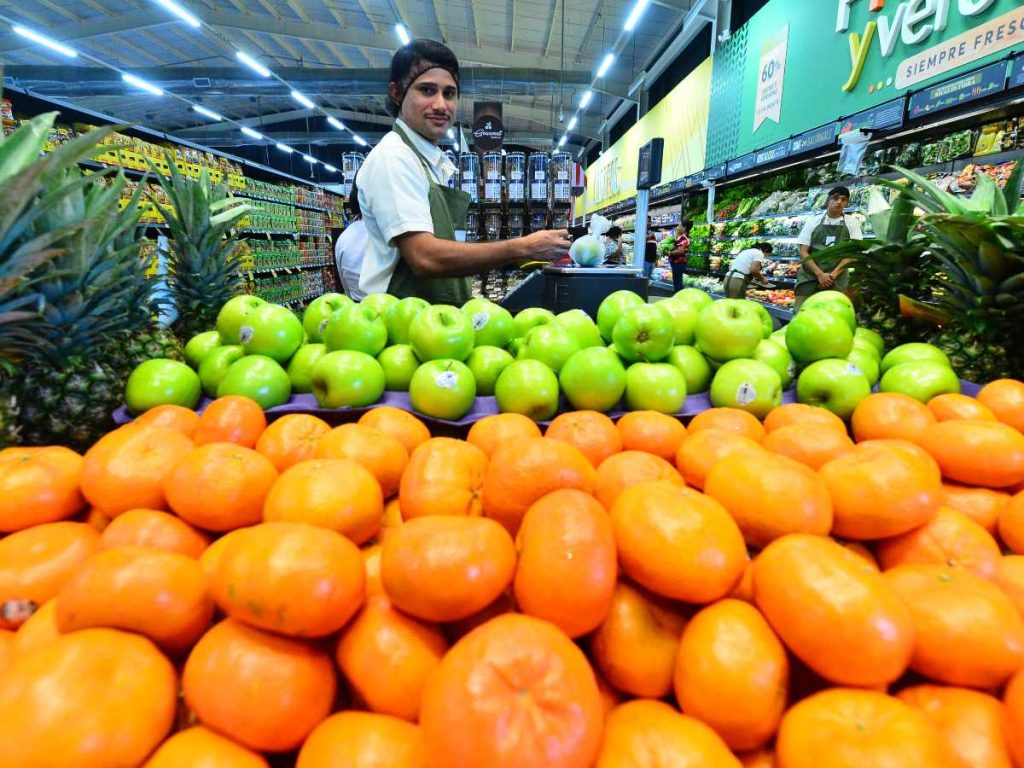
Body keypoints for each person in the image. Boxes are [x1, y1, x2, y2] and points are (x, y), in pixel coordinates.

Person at [356, 39, 571, 302]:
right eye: (427, 90)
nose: (440, 104)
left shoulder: (429, 163)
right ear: (397, 93)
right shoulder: (394, 157)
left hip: (432, 321)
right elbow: (425, 257)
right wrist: (522, 247)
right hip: (402, 326)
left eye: (449, 93)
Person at [794, 185, 862, 310]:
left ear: (846, 203)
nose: (839, 202)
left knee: (835, 314)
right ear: (828, 200)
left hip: (838, 278)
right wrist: (820, 275)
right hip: (810, 277)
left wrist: (832, 275)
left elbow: (852, 253)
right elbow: (804, 252)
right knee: (802, 311)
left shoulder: (852, 223)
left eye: (844, 199)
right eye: (836, 198)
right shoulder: (813, 221)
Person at [335, 172, 368, 301]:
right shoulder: (391, 231)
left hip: (356, 312)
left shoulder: (345, 237)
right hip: (390, 312)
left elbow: (346, 288)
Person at [666, 220, 693, 292]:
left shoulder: (683, 238)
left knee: (677, 282)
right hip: (677, 263)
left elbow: (681, 251)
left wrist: (669, 253)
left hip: (678, 263)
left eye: (680, 226)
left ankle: (678, 297)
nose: (678, 228)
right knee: (677, 281)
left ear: (684, 228)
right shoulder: (681, 237)